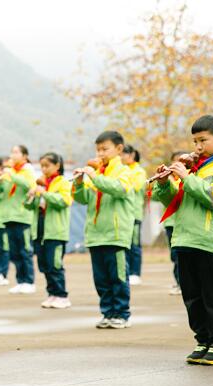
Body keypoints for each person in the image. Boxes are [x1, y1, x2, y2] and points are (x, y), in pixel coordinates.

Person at [152, 115, 213, 365]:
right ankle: (203, 340)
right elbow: (174, 200)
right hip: (184, 239)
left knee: (212, 295)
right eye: (195, 141)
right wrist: (164, 183)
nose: (198, 146)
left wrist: (187, 177)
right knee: (192, 296)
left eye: (203, 140)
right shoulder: (195, 167)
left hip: (209, 241)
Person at [73, 130, 134, 329]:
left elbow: (119, 189)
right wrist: (80, 183)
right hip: (95, 234)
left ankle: (122, 313)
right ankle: (107, 312)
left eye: (104, 149)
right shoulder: (95, 173)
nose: (100, 153)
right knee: (101, 279)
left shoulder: (125, 171)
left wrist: (94, 177)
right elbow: (82, 199)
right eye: (98, 149)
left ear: (118, 149)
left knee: (117, 276)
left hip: (115, 235)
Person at [27, 152, 73, 309]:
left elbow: (64, 201)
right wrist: (31, 196)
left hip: (55, 231)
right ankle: (52, 293)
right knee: (44, 264)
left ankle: (62, 295)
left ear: (57, 166)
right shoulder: (40, 183)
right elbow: (28, 206)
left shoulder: (63, 183)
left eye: (47, 166)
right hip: (40, 230)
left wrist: (45, 194)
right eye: (42, 166)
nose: (44, 169)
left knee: (55, 264)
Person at [0, 145, 37, 294]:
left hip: (22, 216)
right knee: (14, 252)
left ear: (25, 156)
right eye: (11, 152)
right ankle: (21, 281)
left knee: (25, 251)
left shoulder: (28, 170)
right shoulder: (10, 171)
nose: (12, 155)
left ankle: (29, 281)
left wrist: (11, 174)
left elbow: (28, 185)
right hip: (9, 216)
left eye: (16, 152)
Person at [151, 151, 187, 296]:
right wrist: (162, 182)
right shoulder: (168, 177)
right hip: (170, 223)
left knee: (182, 256)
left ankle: (183, 283)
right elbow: (154, 195)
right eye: (175, 161)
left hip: (183, 222)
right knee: (174, 255)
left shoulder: (188, 177)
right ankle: (178, 282)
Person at [121, 145, 147, 285]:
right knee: (125, 244)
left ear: (131, 155)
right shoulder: (122, 170)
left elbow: (136, 186)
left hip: (134, 214)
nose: (121, 158)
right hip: (123, 214)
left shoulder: (139, 171)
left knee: (134, 244)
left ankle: (135, 273)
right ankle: (127, 272)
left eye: (123, 154)